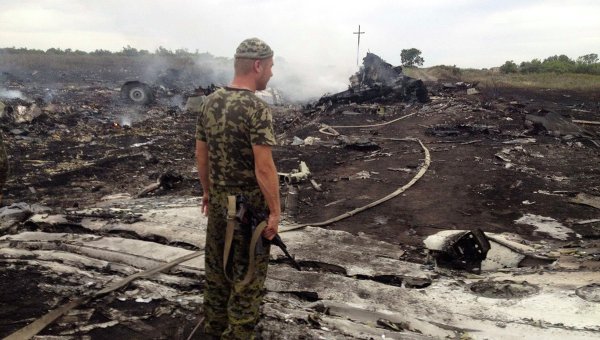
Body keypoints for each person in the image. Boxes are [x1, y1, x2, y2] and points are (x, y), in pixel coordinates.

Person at [194, 37, 280, 339]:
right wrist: (275, 212)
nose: (271, 73)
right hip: (249, 215)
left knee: (217, 274)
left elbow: (201, 155)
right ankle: (240, 333)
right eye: (270, 66)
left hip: (218, 207)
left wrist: (207, 191)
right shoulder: (257, 109)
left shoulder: (209, 102)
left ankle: (214, 329)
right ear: (257, 65)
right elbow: (264, 167)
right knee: (246, 278)